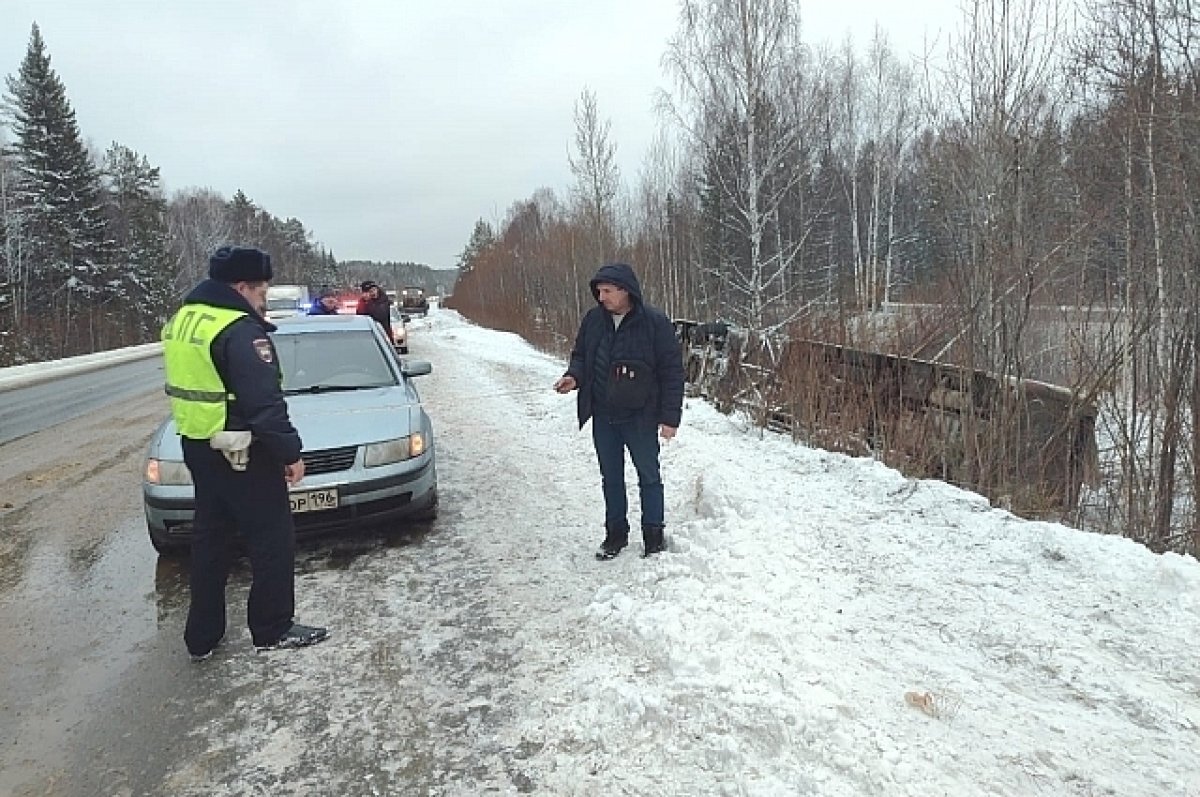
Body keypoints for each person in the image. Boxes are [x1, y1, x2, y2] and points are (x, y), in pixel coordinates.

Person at [161, 245, 329, 659]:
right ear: (241, 287)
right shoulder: (238, 330)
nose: (264, 298)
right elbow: (263, 404)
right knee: (272, 538)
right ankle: (272, 628)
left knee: (210, 540)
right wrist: (290, 453)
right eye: (261, 290)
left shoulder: (185, 319)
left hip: (198, 444)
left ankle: (202, 636)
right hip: (241, 451)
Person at [553, 262, 685, 559]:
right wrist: (573, 377)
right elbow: (581, 357)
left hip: (641, 416)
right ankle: (615, 535)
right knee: (610, 478)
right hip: (603, 415)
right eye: (599, 291)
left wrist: (670, 418)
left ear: (626, 290)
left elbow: (672, 372)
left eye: (607, 291)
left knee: (649, 477)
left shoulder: (654, 322)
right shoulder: (593, 321)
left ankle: (654, 537)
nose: (601, 297)